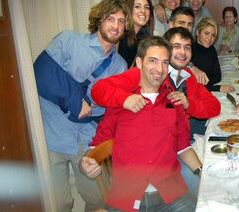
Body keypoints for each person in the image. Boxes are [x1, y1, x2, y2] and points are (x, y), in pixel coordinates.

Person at [90, 28, 221, 195]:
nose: (182, 52)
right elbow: (99, 90)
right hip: (158, 158)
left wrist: (189, 104)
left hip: (179, 144)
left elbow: (214, 107)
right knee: (199, 187)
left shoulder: (187, 76)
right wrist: (124, 99)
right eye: (176, 46)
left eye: (187, 47)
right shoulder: (147, 73)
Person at [33, 0, 129, 211]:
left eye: (121, 21)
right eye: (110, 18)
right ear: (99, 19)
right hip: (53, 135)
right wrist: (75, 102)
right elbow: (41, 73)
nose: (116, 26)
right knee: (59, 203)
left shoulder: (120, 66)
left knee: (96, 200)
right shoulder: (69, 41)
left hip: (87, 141)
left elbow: (111, 109)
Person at [81, 37, 198, 211]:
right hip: (126, 198)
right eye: (153, 61)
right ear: (139, 63)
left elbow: (183, 148)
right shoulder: (121, 103)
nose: (160, 69)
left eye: (165, 63)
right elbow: (95, 150)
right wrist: (86, 165)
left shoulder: (174, 102)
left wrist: (201, 171)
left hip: (172, 197)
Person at [191, 17, 235, 94]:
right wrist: (218, 88)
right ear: (198, 32)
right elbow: (192, 86)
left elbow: (217, 77)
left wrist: (206, 83)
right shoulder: (190, 52)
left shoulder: (211, 49)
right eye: (206, 33)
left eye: (213, 35)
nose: (210, 38)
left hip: (206, 90)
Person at [118, 0, 153, 67]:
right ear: (128, 9)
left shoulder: (142, 38)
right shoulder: (120, 36)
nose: (143, 11)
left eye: (147, 7)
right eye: (137, 6)